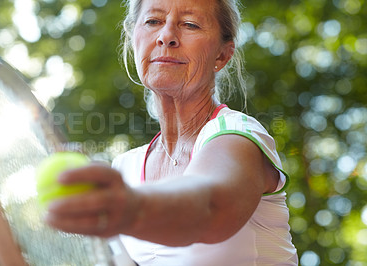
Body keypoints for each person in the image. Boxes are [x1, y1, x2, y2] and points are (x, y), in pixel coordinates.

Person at [45, 0, 298, 264]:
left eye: (190, 24)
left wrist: (126, 207)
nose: (166, 36)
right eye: (153, 22)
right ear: (134, 39)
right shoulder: (124, 168)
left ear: (222, 55)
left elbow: (210, 207)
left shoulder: (238, 134)